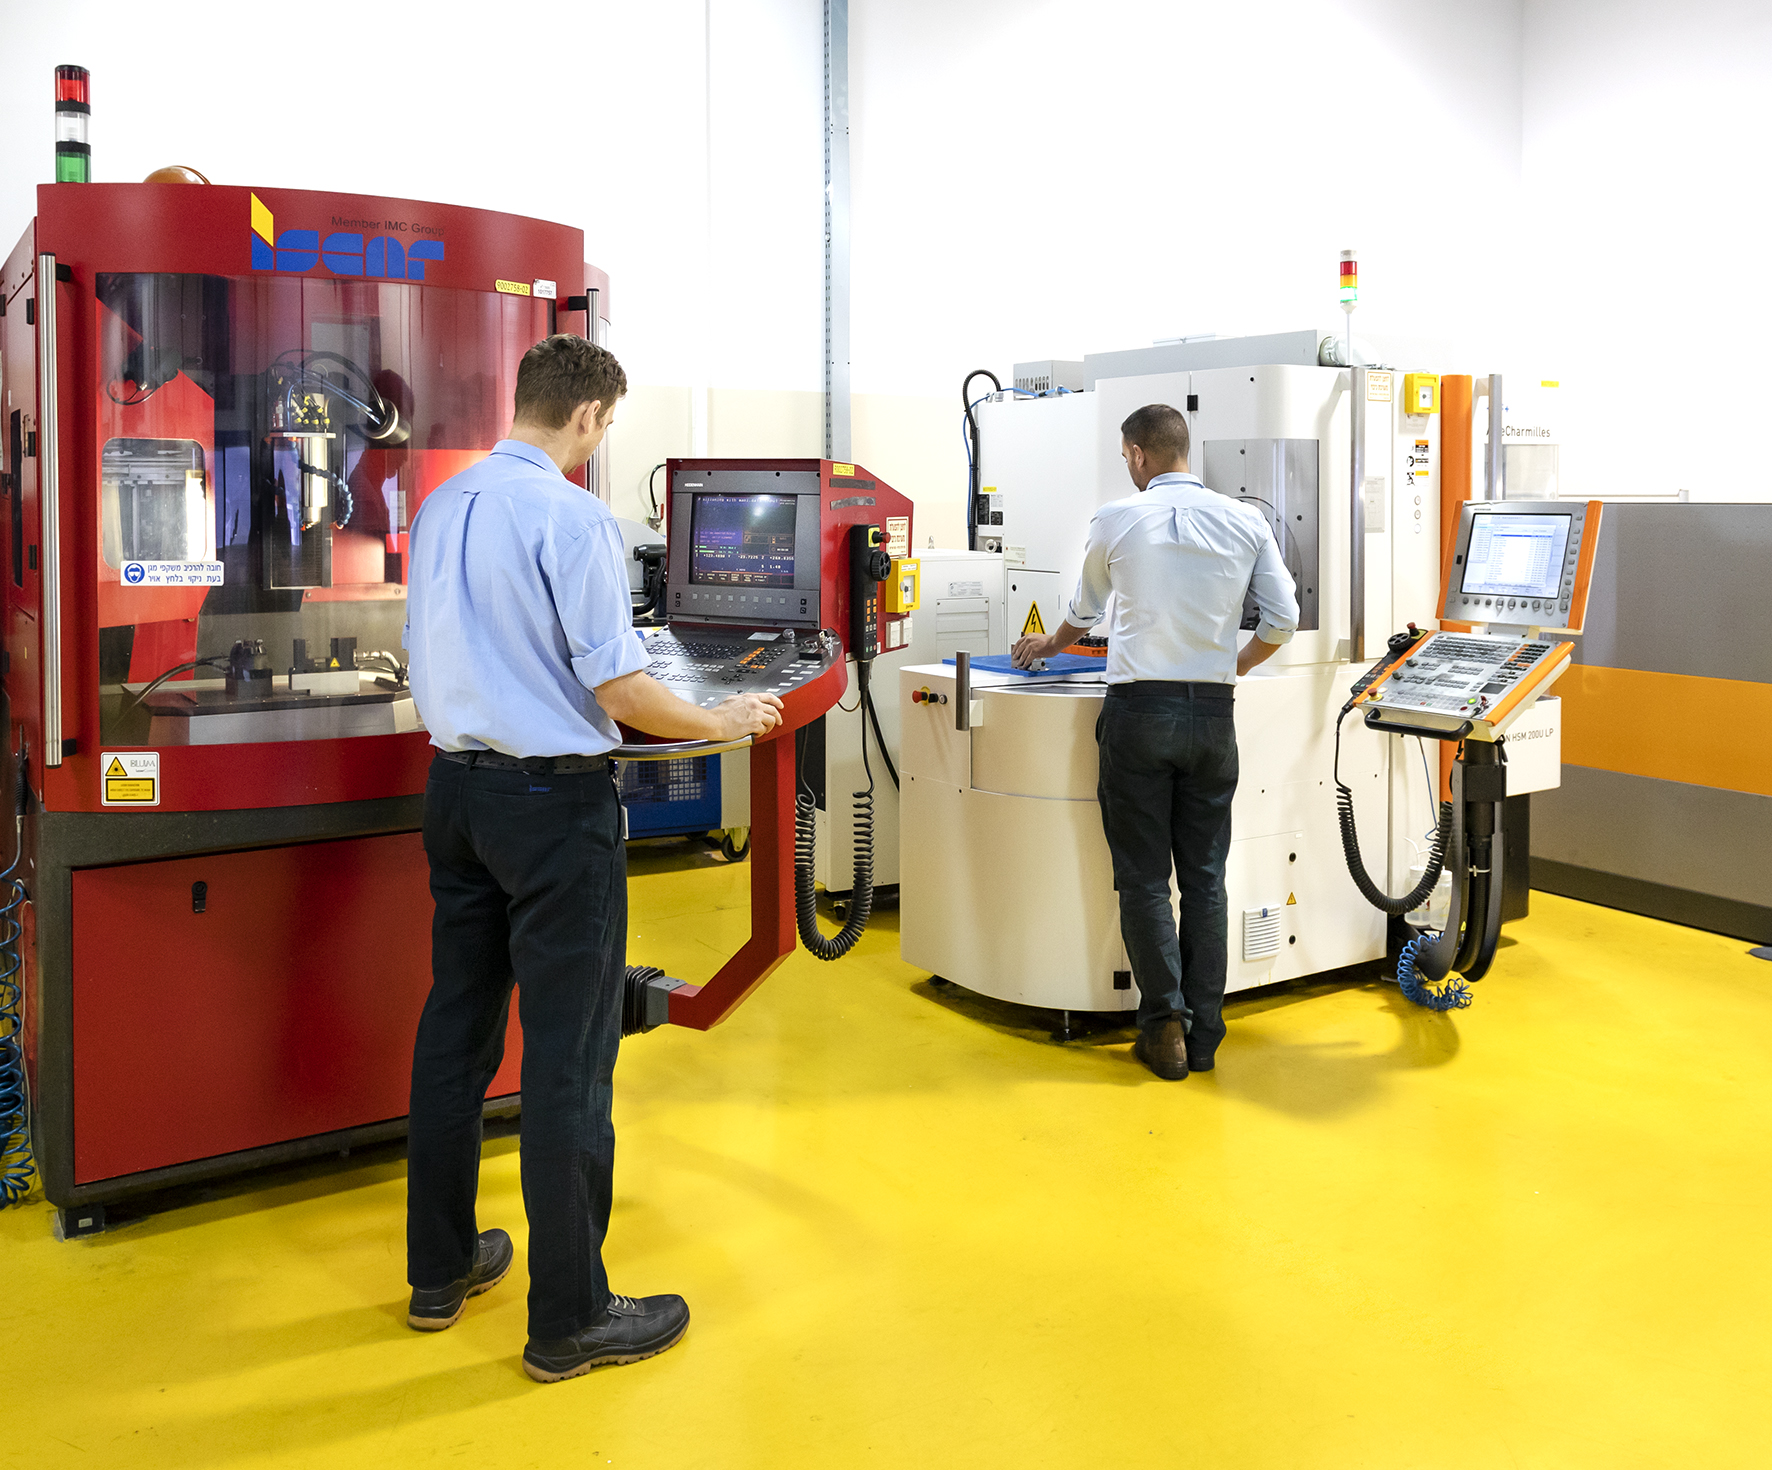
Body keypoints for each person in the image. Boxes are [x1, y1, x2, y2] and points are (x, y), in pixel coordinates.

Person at [401, 334, 783, 1381]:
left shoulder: (441, 504)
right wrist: (720, 720)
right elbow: (619, 689)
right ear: (588, 416)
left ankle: (439, 1270)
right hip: (550, 809)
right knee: (569, 1055)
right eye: (606, 424)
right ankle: (569, 1317)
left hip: (455, 792)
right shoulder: (573, 518)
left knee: (456, 1031)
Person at [1012, 403, 1298, 1081]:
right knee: (1204, 880)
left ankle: (1163, 1028)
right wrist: (1234, 665)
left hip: (1139, 714)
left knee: (1143, 879)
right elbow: (1284, 618)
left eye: (1125, 458)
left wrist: (1048, 645)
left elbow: (1085, 612)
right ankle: (1205, 1038)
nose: (1127, 467)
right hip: (1212, 717)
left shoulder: (1117, 518)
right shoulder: (1246, 520)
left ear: (1138, 454)